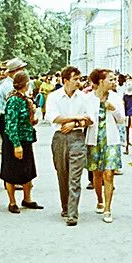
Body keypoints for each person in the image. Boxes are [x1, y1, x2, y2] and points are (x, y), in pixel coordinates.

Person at [47, 66, 92, 226]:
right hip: (59, 137)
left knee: (75, 176)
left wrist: (74, 123)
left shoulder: (84, 97)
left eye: (79, 79)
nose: (79, 83)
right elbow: (53, 117)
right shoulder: (54, 97)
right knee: (62, 174)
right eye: (75, 79)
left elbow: (89, 119)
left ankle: (73, 212)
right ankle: (65, 206)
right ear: (66, 81)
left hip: (77, 137)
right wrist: (76, 118)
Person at [86, 69, 125, 223]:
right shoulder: (88, 98)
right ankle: (99, 199)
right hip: (94, 139)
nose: (114, 82)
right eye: (110, 79)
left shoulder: (115, 97)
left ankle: (108, 209)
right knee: (97, 173)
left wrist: (113, 109)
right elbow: (85, 117)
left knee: (109, 174)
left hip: (111, 139)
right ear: (101, 81)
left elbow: (122, 119)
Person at [2, 70, 43, 213]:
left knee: (28, 171)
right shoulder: (14, 100)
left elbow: (25, 120)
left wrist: (33, 119)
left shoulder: (25, 98)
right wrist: (16, 145)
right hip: (15, 140)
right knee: (11, 172)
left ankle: (27, 199)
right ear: (25, 84)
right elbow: (11, 124)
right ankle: (12, 202)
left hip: (26, 139)